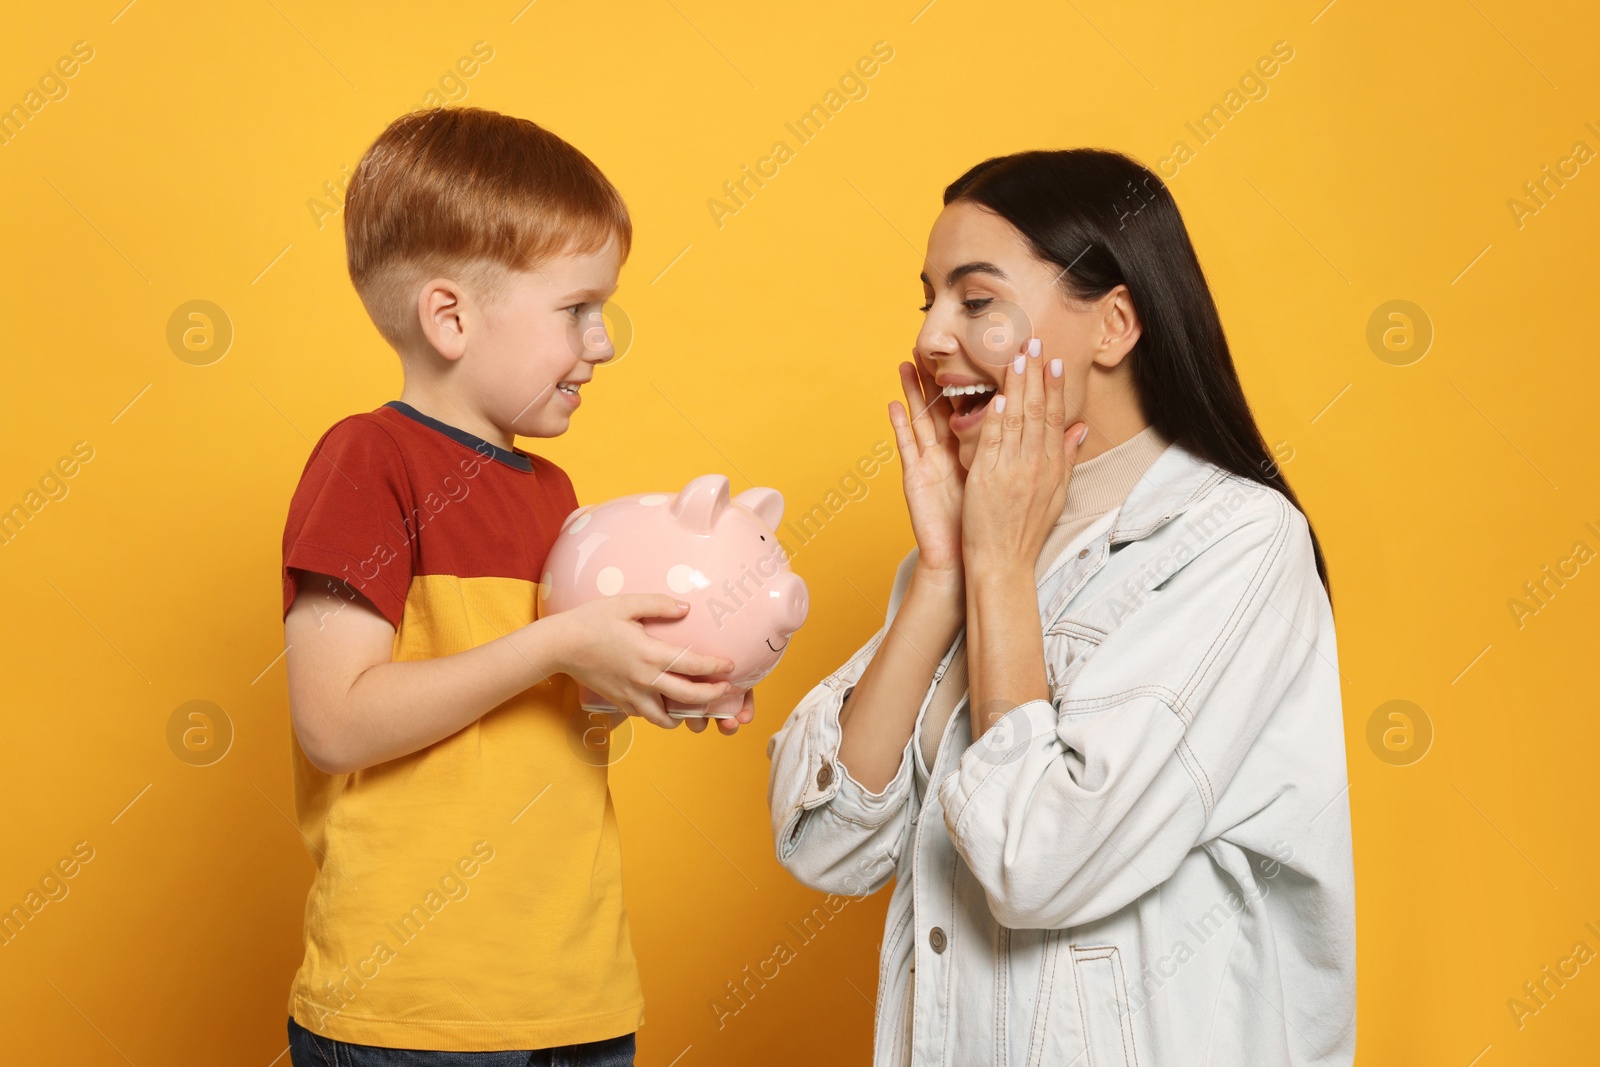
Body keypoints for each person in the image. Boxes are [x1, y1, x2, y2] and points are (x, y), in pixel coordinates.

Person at [766, 148, 1355, 1066]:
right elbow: (825, 845)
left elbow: (1039, 862)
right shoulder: (978, 542)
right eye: (926, 300)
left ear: (1115, 324)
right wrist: (940, 573)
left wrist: (996, 567)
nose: (929, 338)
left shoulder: (1235, 540)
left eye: (975, 300)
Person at [278, 106, 751, 1066]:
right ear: (449, 316)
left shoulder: (554, 493)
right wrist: (562, 645)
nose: (604, 342)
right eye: (577, 309)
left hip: (573, 989)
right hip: (416, 1006)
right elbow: (334, 721)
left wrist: (648, 681)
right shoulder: (367, 461)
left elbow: (543, 710)